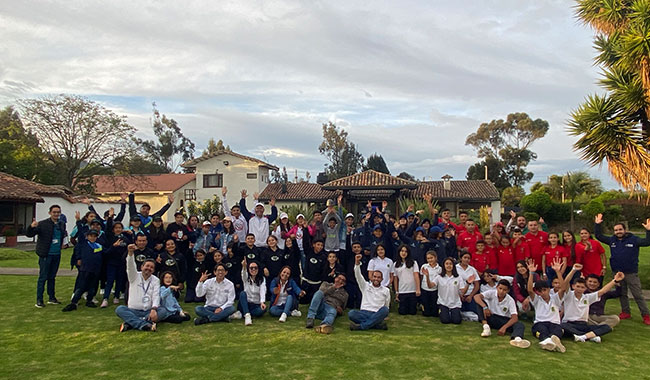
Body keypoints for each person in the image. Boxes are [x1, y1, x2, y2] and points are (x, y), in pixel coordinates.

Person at [594, 213, 650, 324]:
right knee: (622, 293)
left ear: (625, 230)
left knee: (637, 294)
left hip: (631, 273)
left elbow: (647, 242)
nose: (618, 232)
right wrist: (597, 224)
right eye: (616, 230)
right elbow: (599, 236)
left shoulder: (634, 240)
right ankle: (626, 312)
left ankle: (646, 315)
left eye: (620, 229)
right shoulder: (612, 240)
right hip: (617, 273)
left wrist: (648, 231)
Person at [559, 263, 623, 343]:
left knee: (607, 327)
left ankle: (583, 336)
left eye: (582, 287)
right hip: (569, 324)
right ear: (573, 286)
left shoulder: (587, 297)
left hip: (583, 324)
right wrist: (573, 270)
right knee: (561, 326)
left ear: (585, 288)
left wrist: (615, 281)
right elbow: (565, 283)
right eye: (578, 286)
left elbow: (602, 291)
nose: (579, 289)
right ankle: (590, 336)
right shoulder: (568, 295)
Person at [26, 205, 68, 308]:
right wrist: (31, 226)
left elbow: (63, 236)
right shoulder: (42, 224)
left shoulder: (61, 224)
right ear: (50, 213)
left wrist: (63, 244)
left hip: (56, 254)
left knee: (52, 277)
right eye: (54, 212)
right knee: (43, 277)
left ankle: (52, 297)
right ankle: (39, 300)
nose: (56, 214)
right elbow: (29, 234)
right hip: (46, 254)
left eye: (58, 212)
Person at [115, 244, 160, 332]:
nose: (149, 268)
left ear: (154, 270)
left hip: (148, 311)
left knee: (163, 310)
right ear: (142, 267)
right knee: (120, 309)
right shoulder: (134, 276)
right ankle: (144, 325)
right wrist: (130, 253)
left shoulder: (156, 280)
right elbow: (130, 266)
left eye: (151, 267)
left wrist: (154, 309)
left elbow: (156, 295)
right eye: (147, 266)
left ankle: (130, 322)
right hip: (133, 310)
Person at [474, 279, 530, 348]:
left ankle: (517, 339)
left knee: (520, 325)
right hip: (491, 317)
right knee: (480, 303)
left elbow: (515, 317)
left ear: (508, 291)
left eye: (504, 290)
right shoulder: (491, 293)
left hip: (503, 320)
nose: (501, 291)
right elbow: (476, 297)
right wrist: (485, 307)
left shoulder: (510, 300)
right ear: (497, 287)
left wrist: (504, 327)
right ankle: (486, 327)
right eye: (500, 288)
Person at [526, 259, 565, 353]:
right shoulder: (537, 300)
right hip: (540, 323)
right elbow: (530, 290)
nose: (542, 293)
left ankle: (550, 342)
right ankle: (549, 342)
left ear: (548, 289)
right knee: (542, 331)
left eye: (544, 290)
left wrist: (558, 271)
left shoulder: (555, 299)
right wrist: (531, 273)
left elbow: (563, 288)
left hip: (554, 323)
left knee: (557, 332)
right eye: (539, 291)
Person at [62, 229, 104, 312]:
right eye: (91, 236)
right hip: (85, 269)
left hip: (95, 270)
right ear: (87, 236)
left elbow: (106, 252)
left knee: (92, 287)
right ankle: (74, 302)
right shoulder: (84, 244)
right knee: (81, 286)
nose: (92, 238)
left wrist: (114, 246)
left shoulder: (99, 246)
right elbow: (80, 235)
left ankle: (89, 300)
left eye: (94, 236)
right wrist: (78, 222)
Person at [349, 253, 391, 330]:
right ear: (371, 277)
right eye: (374, 277)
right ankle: (376, 325)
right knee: (351, 313)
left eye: (379, 277)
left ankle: (361, 327)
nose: (376, 279)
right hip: (364, 312)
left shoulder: (386, 290)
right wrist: (357, 263)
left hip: (377, 313)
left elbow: (386, 305)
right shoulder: (365, 286)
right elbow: (358, 275)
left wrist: (382, 315)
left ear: (382, 279)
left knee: (385, 310)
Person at [101, 219, 130, 307]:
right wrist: (114, 246)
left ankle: (116, 296)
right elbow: (107, 251)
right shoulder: (110, 238)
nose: (118, 229)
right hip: (111, 262)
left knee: (119, 280)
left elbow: (127, 249)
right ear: (113, 229)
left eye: (120, 228)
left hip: (121, 263)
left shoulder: (125, 239)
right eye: (116, 228)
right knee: (110, 280)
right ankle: (105, 298)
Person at [433, 257, 470, 324]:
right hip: (443, 303)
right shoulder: (439, 277)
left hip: (455, 303)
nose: (448, 265)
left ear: (453, 266)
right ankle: (444, 312)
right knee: (445, 321)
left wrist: (468, 283)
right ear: (444, 266)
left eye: (450, 264)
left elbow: (463, 291)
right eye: (446, 264)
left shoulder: (458, 277)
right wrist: (426, 277)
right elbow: (430, 285)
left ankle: (455, 313)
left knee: (457, 321)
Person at [232, 259, 267, 326]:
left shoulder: (262, 279)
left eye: (255, 268)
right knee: (242, 293)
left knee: (262, 310)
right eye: (251, 268)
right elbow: (244, 274)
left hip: (255, 305)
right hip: (245, 303)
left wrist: (262, 302)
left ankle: (242, 314)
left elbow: (263, 290)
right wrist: (244, 267)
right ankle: (247, 316)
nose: (253, 269)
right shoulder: (246, 278)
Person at [393, 244, 421, 315]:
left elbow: (416, 276)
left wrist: (418, 289)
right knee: (402, 312)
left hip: (412, 290)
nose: (403, 253)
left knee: (412, 312)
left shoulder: (414, 263)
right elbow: (395, 279)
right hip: (402, 291)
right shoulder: (395, 264)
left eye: (405, 251)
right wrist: (397, 292)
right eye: (402, 251)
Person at [420, 251, 441, 317]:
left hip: (434, 290)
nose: (430, 260)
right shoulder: (424, 266)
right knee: (426, 313)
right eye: (428, 258)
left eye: (431, 258)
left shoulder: (439, 269)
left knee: (434, 313)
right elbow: (421, 276)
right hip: (425, 289)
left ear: (435, 258)